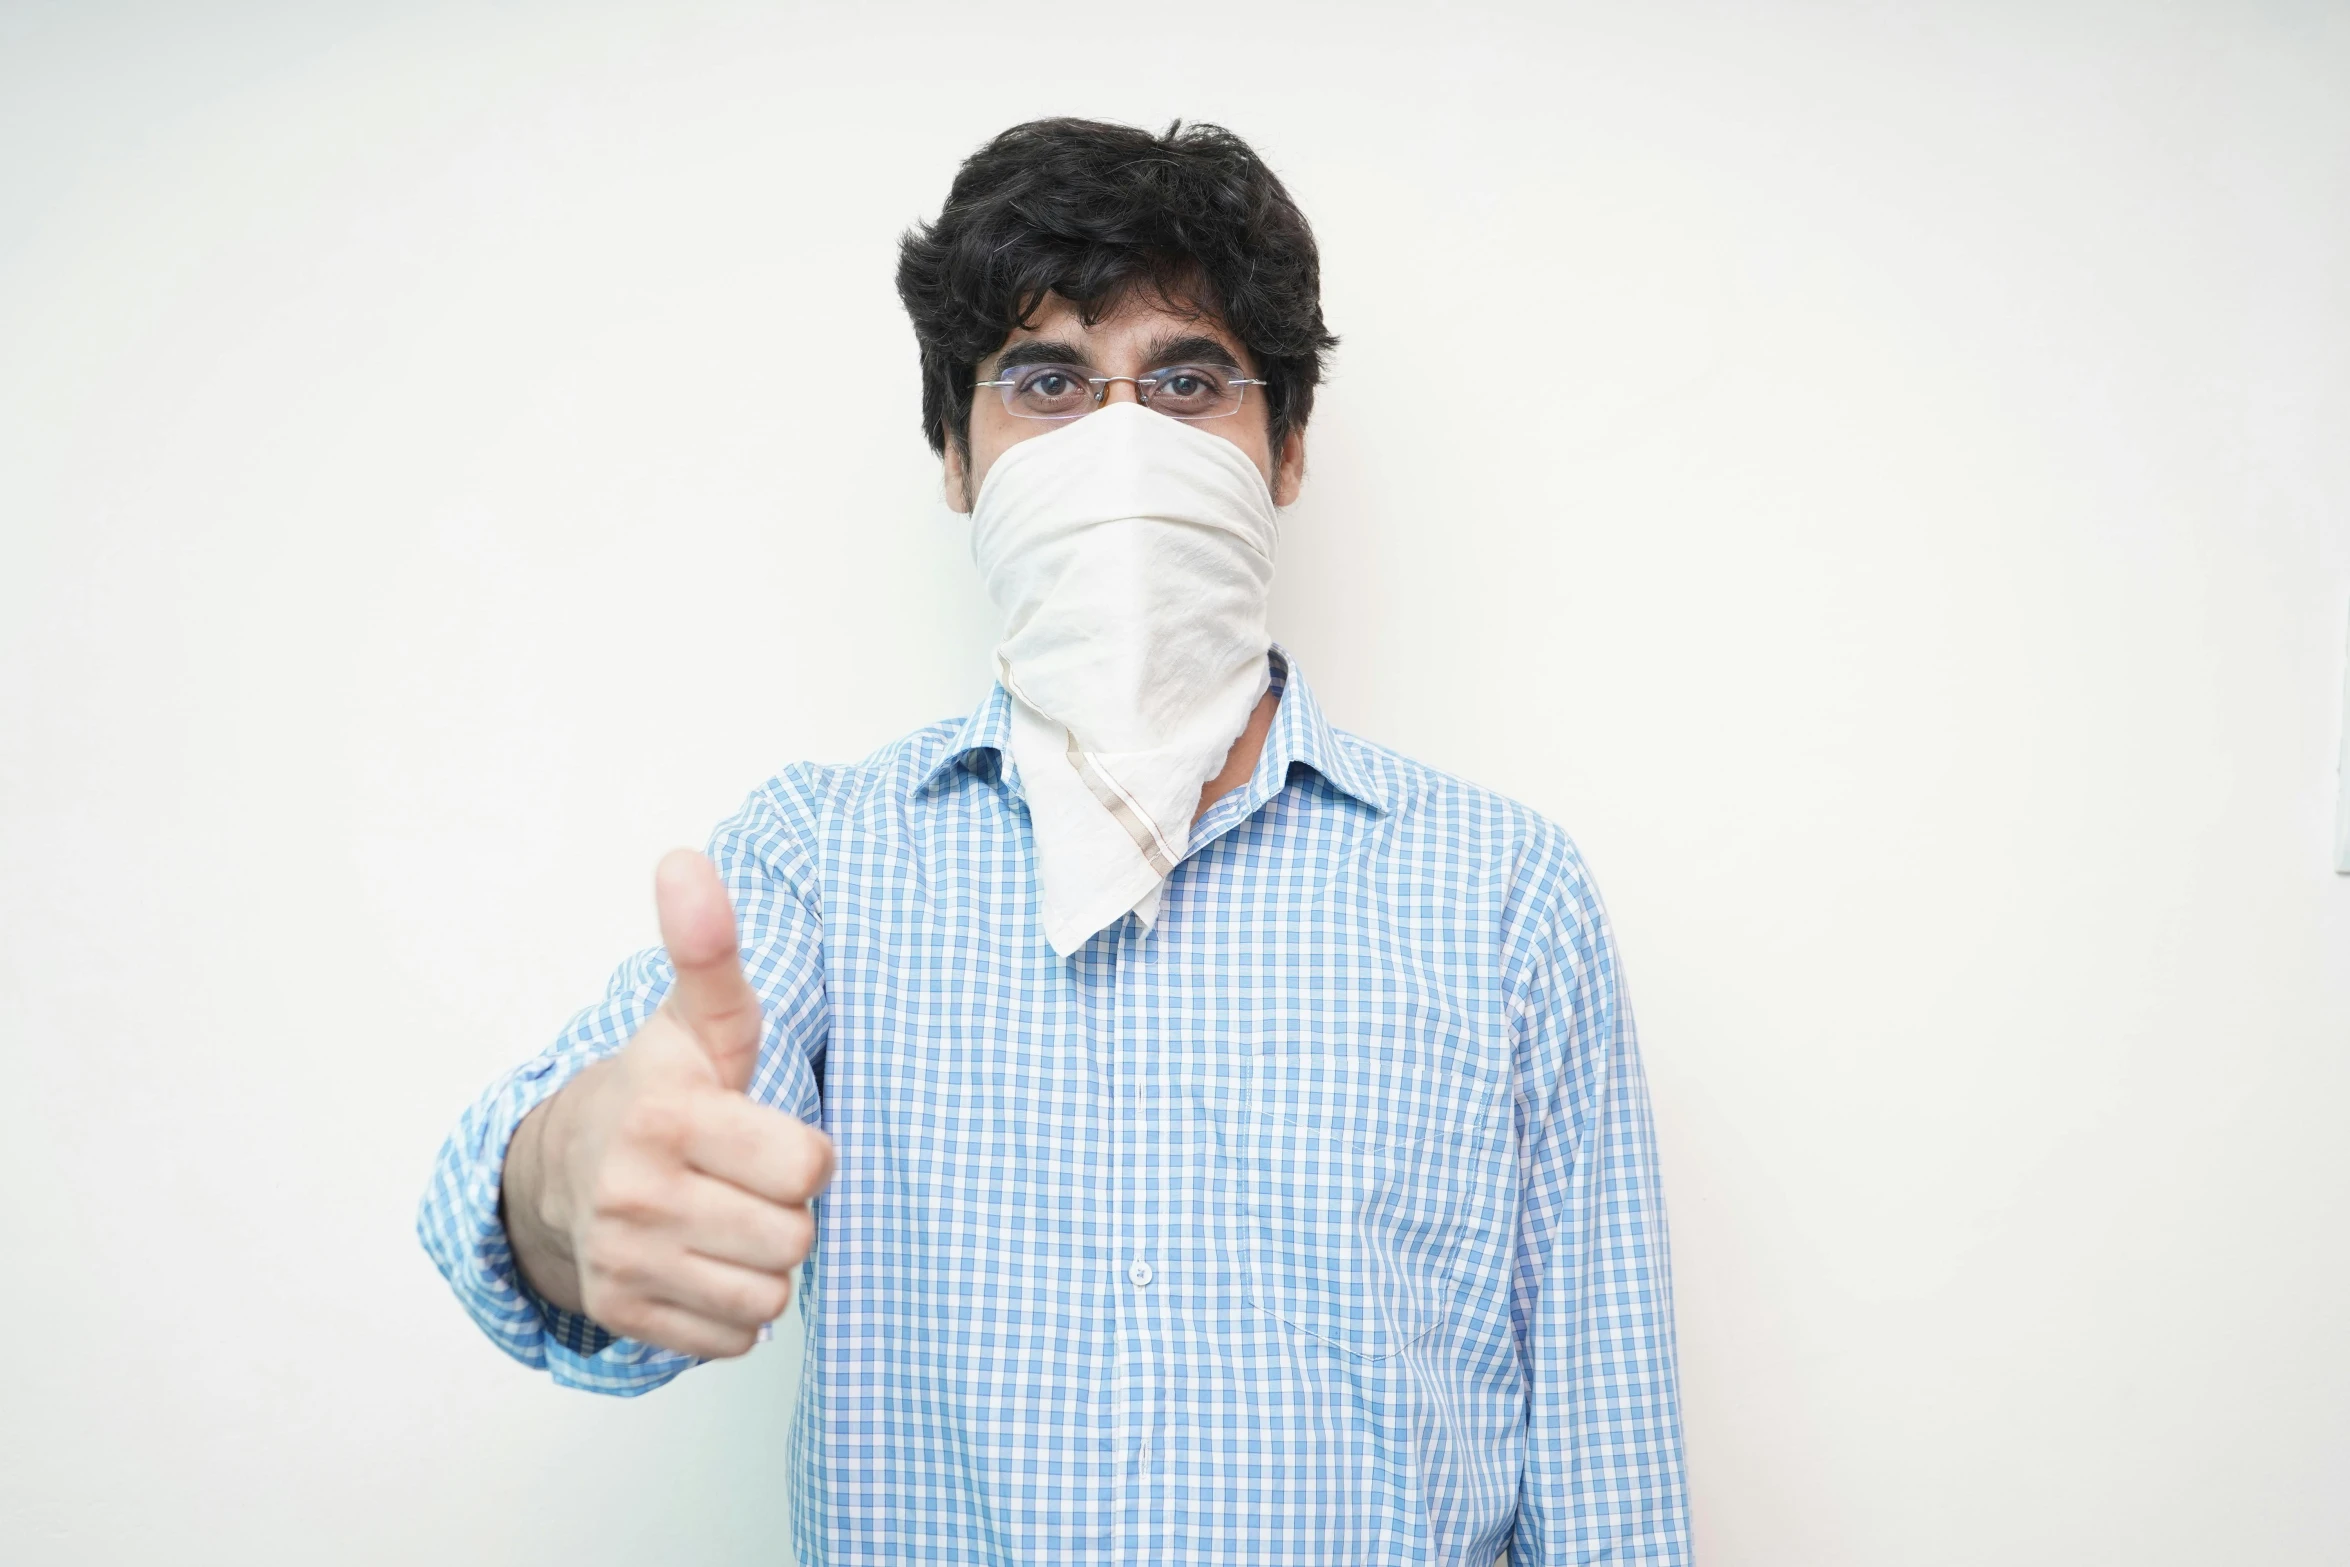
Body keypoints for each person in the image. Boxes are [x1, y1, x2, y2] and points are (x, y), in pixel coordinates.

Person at [419, 117, 1689, 1564]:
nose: (1123, 444)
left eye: (1188, 380)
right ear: (956, 458)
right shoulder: (824, 864)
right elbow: (583, 1196)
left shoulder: (1501, 893)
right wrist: (567, 1176)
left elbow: (1607, 1475)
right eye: (1046, 382)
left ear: (1286, 450)